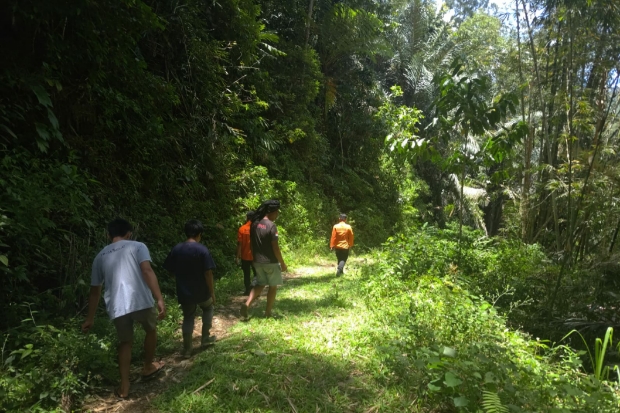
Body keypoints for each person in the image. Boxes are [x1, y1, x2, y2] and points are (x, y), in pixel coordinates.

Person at [82, 218, 166, 399]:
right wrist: (159, 297)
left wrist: (90, 318)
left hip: (117, 305)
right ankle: (148, 366)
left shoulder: (100, 256)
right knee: (150, 329)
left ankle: (124, 386)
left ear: (108, 235)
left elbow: (95, 291)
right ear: (129, 233)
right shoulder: (137, 246)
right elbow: (147, 270)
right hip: (141, 300)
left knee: (125, 342)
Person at [163, 219, 216, 357]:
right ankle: (205, 338)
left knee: (188, 317)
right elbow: (208, 273)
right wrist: (212, 292)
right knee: (208, 307)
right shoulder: (202, 250)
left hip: (184, 291)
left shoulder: (177, 249)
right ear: (199, 234)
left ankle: (187, 349)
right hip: (202, 291)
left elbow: (170, 269)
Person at [240, 200, 287, 319]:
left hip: (257, 261)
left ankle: (247, 304)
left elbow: (252, 244)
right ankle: (268, 313)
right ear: (272, 212)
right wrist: (282, 263)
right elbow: (275, 247)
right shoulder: (271, 226)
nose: (277, 215)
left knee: (260, 284)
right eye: (277, 213)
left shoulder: (255, 224)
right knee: (272, 286)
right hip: (270, 262)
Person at [236, 211, 256, 295]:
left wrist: (237, 256)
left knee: (246, 274)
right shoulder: (257, 228)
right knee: (257, 273)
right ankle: (255, 288)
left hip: (244, 256)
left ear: (247, 217)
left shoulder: (241, 229)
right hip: (255, 256)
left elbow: (239, 244)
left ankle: (248, 290)